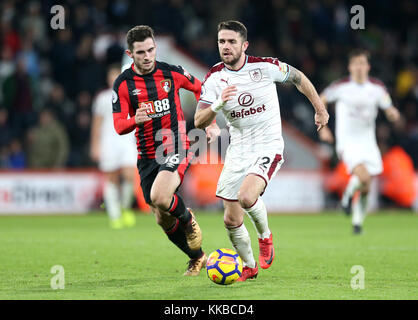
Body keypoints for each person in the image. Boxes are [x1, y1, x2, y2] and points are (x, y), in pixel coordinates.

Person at [194, 21, 329, 281]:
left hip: (268, 144)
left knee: (247, 197)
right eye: (222, 41)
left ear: (244, 45)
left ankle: (265, 236)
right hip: (238, 148)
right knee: (231, 219)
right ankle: (249, 266)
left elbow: (299, 78)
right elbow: (199, 120)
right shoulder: (213, 78)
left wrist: (319, 108)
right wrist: (218, 106)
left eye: (232, 42)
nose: (226, 47)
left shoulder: (265, 67)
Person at [112, 25, 207, 276]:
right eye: (141, 52)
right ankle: (197, 257)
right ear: (130, 54)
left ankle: (188, 220)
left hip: (175, 143)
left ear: (156, 47)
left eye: (151, 49)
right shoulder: (123, 84)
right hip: (146, 156)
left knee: (161, 197)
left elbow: (200, 88)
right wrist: (136, 120)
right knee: (161, 217)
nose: (147, 56)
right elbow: (119, 125)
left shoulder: (171, 73)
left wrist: (204, 118)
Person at [318, 49, 400, 234]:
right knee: (362, 176)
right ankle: (346, 197)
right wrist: (323, 128)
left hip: (368, 142)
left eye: (362, 63)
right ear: (350, 67)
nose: (359, 67)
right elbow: (320, 99)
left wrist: (392, 113)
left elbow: (388, 106)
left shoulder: (377, 88)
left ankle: (357, 222)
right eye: (356, 64)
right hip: (348, 141)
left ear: (368, 66)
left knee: (366, 185)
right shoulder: (341, 86)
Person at [90, 65, 137, 229]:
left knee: (129, 174)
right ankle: (115, 215)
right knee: (112, 177)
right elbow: (97, 123)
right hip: (108, 141)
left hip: (127, 140)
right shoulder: (102, 98)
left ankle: (125, 207)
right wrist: (95, 145)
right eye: (112, 75)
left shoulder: (132, 95)